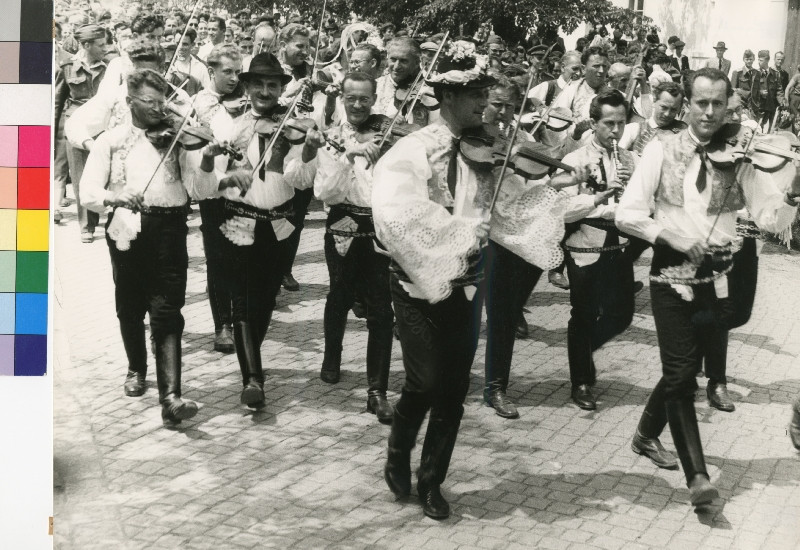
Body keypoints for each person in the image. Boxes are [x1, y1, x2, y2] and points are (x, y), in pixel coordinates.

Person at [616, 67, 799, 506]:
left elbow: (768, 215)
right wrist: (673, 237)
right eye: (702, 103)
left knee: (693, 355)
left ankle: (644, 433)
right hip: (670, 272)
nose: (711, 112)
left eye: (719, 103)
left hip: (715, 275)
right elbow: (627, 213)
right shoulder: (661, 150)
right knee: (682, 375)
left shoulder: (737, 156)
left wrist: (790, 198)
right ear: (687, 103)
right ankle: (698, 477)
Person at [374, 41, 496, 520]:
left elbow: (515, 202)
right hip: (417, 284)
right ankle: (399, 451)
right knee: (423, 383)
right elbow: (395, 216)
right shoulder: (412, 150)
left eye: (485, 93)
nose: (484, 104)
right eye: (473, 95)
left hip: (468, 284)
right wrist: (463, 230)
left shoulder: (488, 149)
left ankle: (431, 482)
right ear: (445, 96)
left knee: (454, 389)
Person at [79, 68, 213, 427]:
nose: (159, 109)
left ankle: (171, 397)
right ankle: (136, 367)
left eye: (163, 101)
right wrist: (114, 195)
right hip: (127, 228)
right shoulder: (112, 140)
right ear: (129, 102)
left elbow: (199, 188)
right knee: (129, 307)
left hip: (169, 229)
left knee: (168, 311)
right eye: (150, 102)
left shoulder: (176, 138)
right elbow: (87, 191)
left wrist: (205, 157)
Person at [194, 52, 314, 409]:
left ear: (281, 89)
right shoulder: (230, 125)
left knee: (264, 301)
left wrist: (306, 153)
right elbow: (212, 181)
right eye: (258, 83)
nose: (265, 90)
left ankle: (251, 362)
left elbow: (301, 180)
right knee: (244, 300)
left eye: (273, 84)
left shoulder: (295, 127)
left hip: (278, 223)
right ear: (246, 87)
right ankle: (253, 379)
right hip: (239, 217)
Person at [302, 71, 396, 424]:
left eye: (364, 99)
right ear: (341, 98)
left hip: (379, 225)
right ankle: (331, 356)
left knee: (381, 309)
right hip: (342, 223)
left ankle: (377, 390)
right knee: (339, 294)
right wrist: (349, 157)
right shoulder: (332, 138)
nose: (358, 105)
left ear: (374, 99)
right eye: (351, 98)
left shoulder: (387, 133)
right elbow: (326, 194)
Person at [482, 77, 569, 418]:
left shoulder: (523, 141)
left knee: (505, 312)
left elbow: (538, 181)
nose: (503, 112)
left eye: (510, 106)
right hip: (483, 233)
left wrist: (557, 178)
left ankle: (495, 386)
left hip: (517, 236)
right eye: (496, 104)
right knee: (490, 315)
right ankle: (487, 386)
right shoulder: (471, 139)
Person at [551, 89, 637, 411]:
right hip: (585, 244)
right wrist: (599, 198)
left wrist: (631, 190)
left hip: (619, 244)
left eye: (621, 124)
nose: (616, 131)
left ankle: (581, 351)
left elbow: (647, 204)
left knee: (621, 314)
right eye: (609, 124)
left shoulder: (629, 158)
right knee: (583, 314)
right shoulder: (575, 160)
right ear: (593, 123)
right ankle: (581, 381)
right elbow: (564, 211)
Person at [54, 24, 112, 243]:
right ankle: (86, 225)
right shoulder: (66, 68)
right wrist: (55, 136)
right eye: (100, 44)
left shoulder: (107, 69)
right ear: (86, 45)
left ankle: (103, 214)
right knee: (79, 177)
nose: (105, 48)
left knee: (102, 173)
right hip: (74, 127)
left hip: (100, 127)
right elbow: (57, 104)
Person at [749, 50, 780, 132]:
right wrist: (760, 92)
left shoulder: (775, 74)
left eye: (761, 60)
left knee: (770, 131)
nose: (758, 62)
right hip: (760, 107)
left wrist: (782, 103)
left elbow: (779, 91)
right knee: (758, 129)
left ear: (767, 60)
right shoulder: (755, 73)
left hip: (771, 107)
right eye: (758, 60)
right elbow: (752, 91)